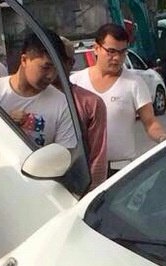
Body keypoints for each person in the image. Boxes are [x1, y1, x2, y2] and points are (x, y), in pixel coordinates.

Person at [71, 23, 166, 175]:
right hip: (83, 169)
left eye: (122, 52)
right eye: (111, 51)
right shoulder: (76, 82)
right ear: (96, 48)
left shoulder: (134, 83)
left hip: (119, 170)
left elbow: (150, 122)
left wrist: (162, 137)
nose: (117, 58)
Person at [0, 30, 77, 149]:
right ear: (24, 60)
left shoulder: (62, 104)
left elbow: (65, 155)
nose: (51, 75)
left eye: (56, 68)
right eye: (45, 67)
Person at [57, 36, 108, 189]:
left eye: (58, 59)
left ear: (70, 63)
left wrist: (92, 191)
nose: (51, 64)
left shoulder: (90, 103)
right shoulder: (33, 100)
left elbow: (98, 155)